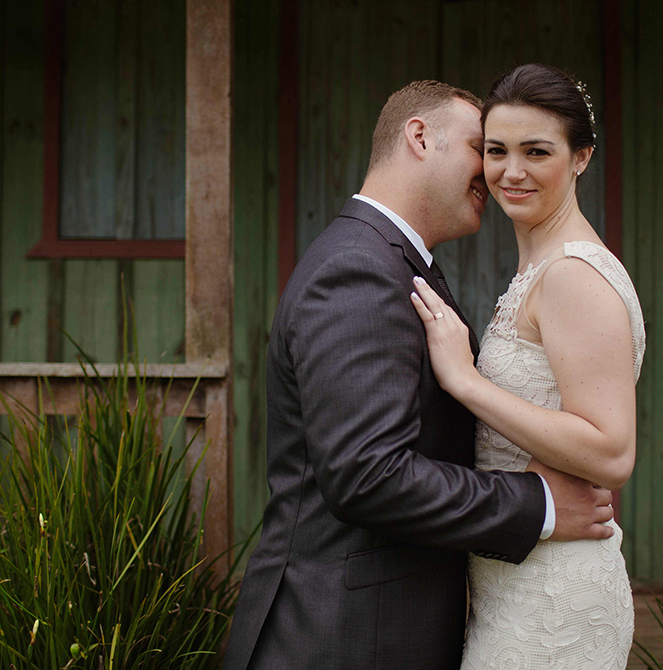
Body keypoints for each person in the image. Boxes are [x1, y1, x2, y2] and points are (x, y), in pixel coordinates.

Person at [222, 80, 618, 670]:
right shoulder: (358, 270)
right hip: (342, 640)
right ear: (419, 137)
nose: (491, 172)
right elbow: (367, 474)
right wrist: (537, 504)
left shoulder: (395, 262)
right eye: (480, 148)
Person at [409, 63, 644, 670]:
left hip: (556, 602)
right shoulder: (538, 270)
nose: (511, 172)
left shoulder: (572, 275)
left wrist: (464, 381)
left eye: (536, 151)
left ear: (580, 158)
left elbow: (611, 451)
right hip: (514, 583)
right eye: (496, 150)